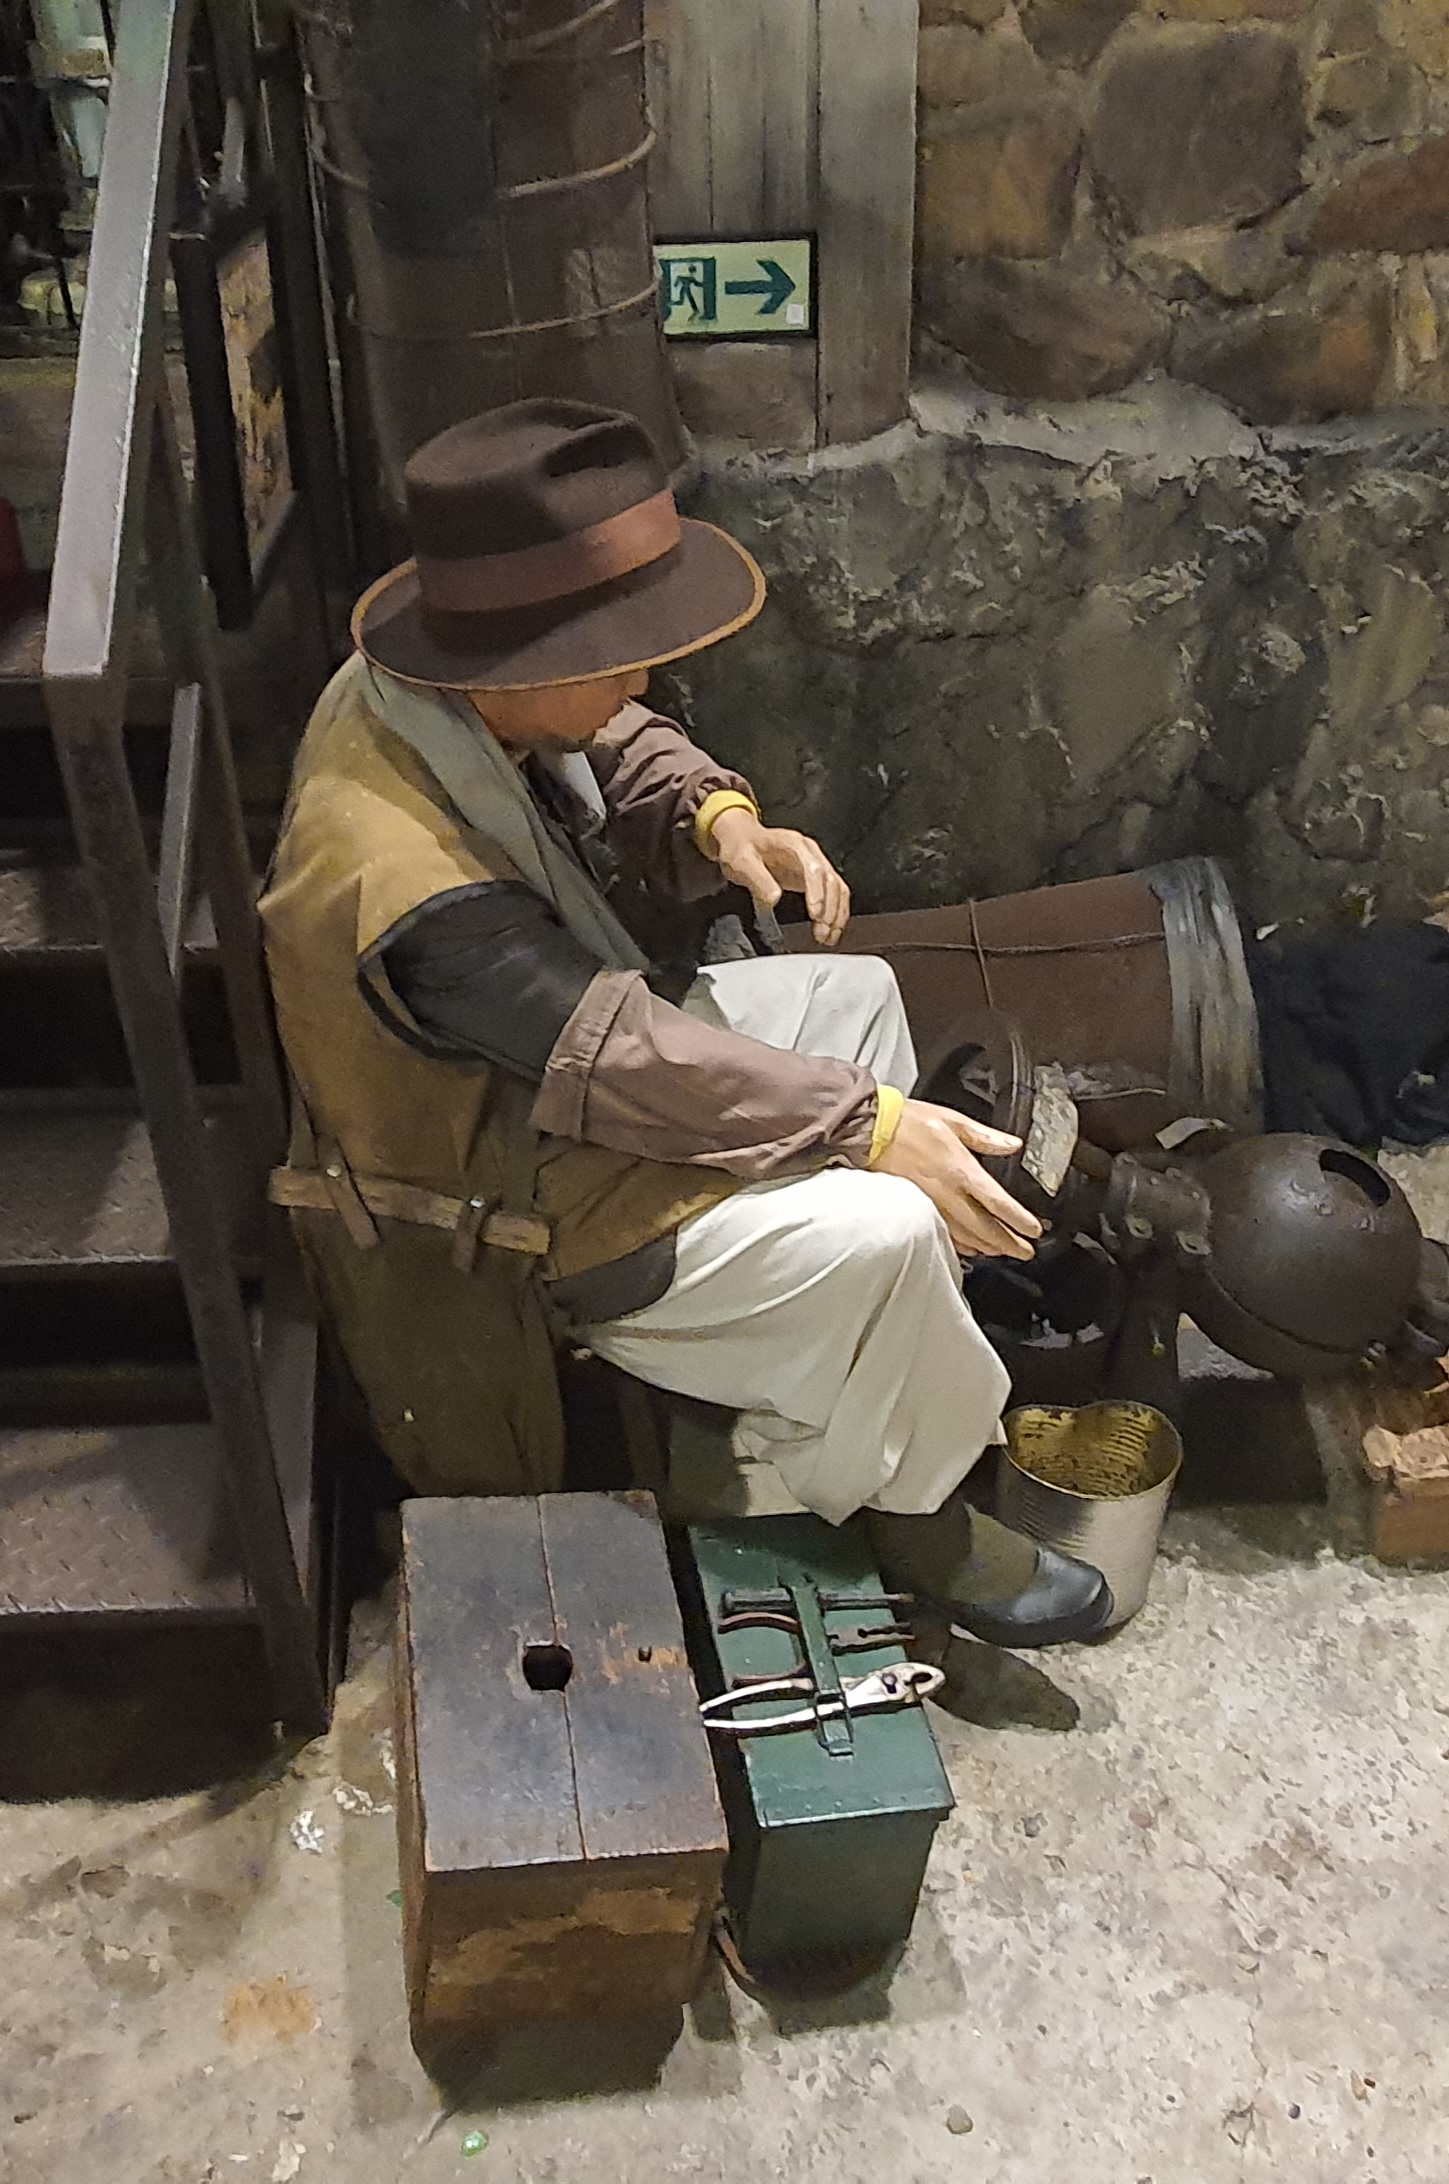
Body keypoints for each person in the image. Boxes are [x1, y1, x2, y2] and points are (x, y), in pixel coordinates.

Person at [259, 397, 1111, 1647]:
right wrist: (866, 1127)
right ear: (509, 669)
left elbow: (608, 730)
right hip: (515, 1197)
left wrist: (721, 819)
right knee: (881, 1226)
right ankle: (915, 1512)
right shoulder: (404, 883)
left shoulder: (436, 687)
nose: (640, 679)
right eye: (610, 654)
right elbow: (620, 1060)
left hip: (560, 1084)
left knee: (854, 992)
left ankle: (827, 1389)